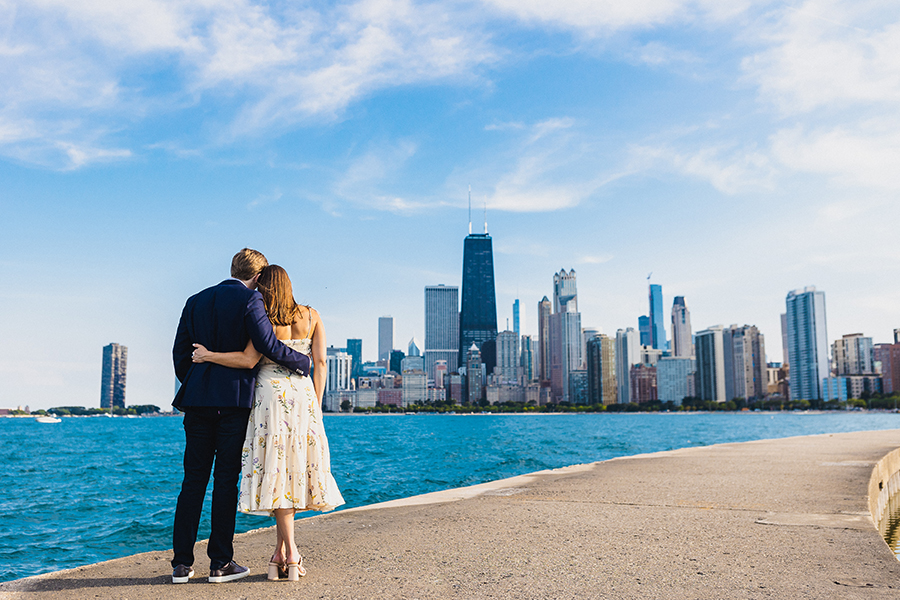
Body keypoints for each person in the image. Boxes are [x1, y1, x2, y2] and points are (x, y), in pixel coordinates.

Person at [192, 264, 344, 582]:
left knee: (276, 472)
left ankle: (281, 557)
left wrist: (208, 355)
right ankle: (288, 554)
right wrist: (316, 404)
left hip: (269, 399)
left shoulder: (264, 321)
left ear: (265, 286)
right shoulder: (311, 315)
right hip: (303, 398)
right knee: (291, 473)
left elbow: (248, 359)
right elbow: (319, 363)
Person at [171, 249, 311, 584]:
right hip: (233, 404)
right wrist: (302, 362)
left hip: (198, 402)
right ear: (259, 276)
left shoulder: (195, 300)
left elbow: (180, 352)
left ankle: (181, 565)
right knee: (224, 482)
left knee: (192, 482)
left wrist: (195, 381)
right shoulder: (252, 302)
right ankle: (220, 563)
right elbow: (267, 345)